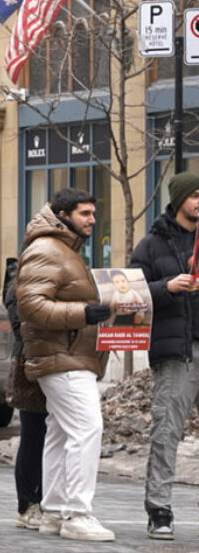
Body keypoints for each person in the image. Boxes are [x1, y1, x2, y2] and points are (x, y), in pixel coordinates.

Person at [16, 188, 114, 541]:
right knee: (87, 429)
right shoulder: (47, 249)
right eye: (85, 213)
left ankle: (55, 512)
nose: (92, 219)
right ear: (62, 214)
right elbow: (30, 306)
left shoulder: (64, 249)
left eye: (93, 213)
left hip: (69, 355)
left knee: (60, 432)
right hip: (61, 357)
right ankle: (77, 514)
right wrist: (84, 314)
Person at [132, 171, 199, 540]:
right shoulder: (152, 246)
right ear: (179, 200)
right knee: (167, 431)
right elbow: (128, 294)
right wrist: (166, 287)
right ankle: (159, 509)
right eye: (194, 195)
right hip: (176, 351)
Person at [3, 258, 48, 531]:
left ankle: (46, 500)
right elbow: (23, 326)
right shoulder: (18, 285)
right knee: (34, 434)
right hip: (29, 364)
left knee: (55, 436)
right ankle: (28, 503)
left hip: (63, 362)